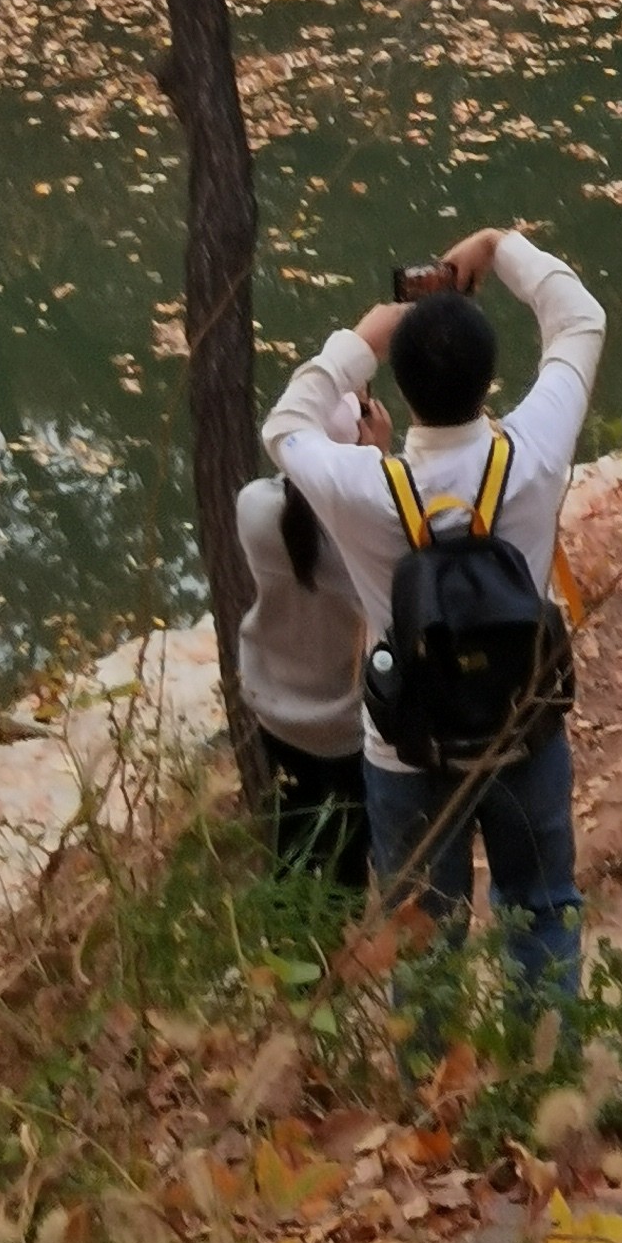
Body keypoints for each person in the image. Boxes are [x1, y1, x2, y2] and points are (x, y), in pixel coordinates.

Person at [263, 224, 605, 1007]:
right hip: (524, 727)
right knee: (543, 908)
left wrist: (364, 339)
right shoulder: (534, 452)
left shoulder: (361, 487)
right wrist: (497, 247)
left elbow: (283, 428)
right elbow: (579, 320)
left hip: (407, 749)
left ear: (402, 391)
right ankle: (543, 1078)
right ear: (491, 380)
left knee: (421, 929)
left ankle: (430, 1102)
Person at [234, 365, 389, 891]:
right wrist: (377, 458)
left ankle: (286, 945)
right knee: (348, 852)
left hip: (277, 714)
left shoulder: (253, 506)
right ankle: (336, 951)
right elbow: (385, 525)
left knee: (292, 836)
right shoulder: (365, 528)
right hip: (347, 726)